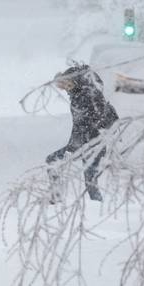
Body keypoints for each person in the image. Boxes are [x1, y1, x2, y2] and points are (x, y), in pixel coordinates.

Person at [46, 63, 118, 202]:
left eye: (64, 85)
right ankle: (56, 197)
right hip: (88, 142)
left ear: (70, 79)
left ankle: (58, 197)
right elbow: (81, 124)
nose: (65, 90)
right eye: (62, 88)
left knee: (90, 181)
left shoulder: (85, 95)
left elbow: (84, 124)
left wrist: (73, 147)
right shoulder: (81, 92)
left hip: (93, 143)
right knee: (89, 180)